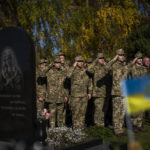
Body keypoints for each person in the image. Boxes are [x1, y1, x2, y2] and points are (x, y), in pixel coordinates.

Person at [67, 56, 92, 130]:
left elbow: (90, 82)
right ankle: (76, 129)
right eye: (79, 61)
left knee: (82, 112)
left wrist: (89, 92)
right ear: (76, 62)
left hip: (84, 95)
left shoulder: (85, 70)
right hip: (75, 96)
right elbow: (68, 76)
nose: (81, 63)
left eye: (81, 61)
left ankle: (81, 128)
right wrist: (73, 66)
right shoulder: (72, 70)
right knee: (75, 113)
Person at [45, 57, 68, 128]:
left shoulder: (63, 71)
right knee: (52, 115)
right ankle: (52, 131)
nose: (58, 64)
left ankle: (60, 131)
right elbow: (41, 73)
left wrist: (66, 95)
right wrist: (49, 65)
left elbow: (69, 74)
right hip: (51, 97)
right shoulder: (49, 71)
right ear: (54, 63)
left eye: (59, 63)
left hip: (61, 97)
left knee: (60, 116)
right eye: (56, 63)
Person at [87, 53, 108, 126]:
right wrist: (95, 61)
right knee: (98, 110)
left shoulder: (105, 67)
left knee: (103, 110)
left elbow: (111, 71)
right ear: (97, 59)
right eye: (100, 58)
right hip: (97, 93)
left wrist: (106, 65)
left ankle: (101, 125)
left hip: (105, 92)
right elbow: (89, 69)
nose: (102, 59)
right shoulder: (94, 67)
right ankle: (97, 126)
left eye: (103, 58)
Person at [129, 52, 148, 132]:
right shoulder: (132, 68)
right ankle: (133, 125)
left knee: (141, 110)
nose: (140, 60)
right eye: (138, 58)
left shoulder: (144, 69)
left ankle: (139, 126)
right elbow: (127, 68)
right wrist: (133, 61)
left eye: (141, 58)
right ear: (135, 59)